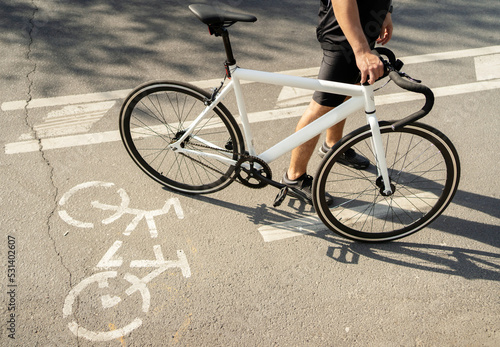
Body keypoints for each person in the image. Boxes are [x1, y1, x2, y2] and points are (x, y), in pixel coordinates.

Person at [282, 0, 394, 204]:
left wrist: (385, 11)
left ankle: (333, 145)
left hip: (363, 30)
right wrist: (360, 51)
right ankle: (294, 177)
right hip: (344, 36)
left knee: (345, 92)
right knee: (322, 106)